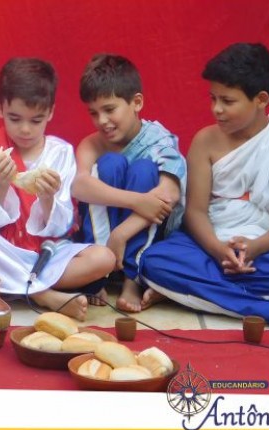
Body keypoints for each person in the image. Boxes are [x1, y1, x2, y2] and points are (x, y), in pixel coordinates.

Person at [139, 43, 269, 331]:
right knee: (155, 261)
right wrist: (217, 250)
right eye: (213, 98)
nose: (217, 109)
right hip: (213, 238)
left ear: (261, 99)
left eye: (228, 101)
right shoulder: (206, 141)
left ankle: (186, 294)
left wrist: (255, 248)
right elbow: (196, 212)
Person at [0, 58, 115, 321]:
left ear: (50, 113)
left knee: (104, 258)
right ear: (0, 109)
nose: (25, 129)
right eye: (15, 118)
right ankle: (41, 294)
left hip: (47, 254)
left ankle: (4, 285)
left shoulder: (61, 152)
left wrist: (47, 199)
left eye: (36, 120)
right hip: (1, 248)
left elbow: (61, 228)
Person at [71, 54, 186, 312]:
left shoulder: (159, 141)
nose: (102, 121)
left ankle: (132, 279)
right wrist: (137, 201)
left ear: (136, 102)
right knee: (110, 163)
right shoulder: (93, 144)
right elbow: (79, 186)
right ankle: (95, 274)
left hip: (144, 231)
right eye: (94, 113)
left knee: (145, 169)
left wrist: (120, 234)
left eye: (110, 109)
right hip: (102, 238)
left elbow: (168, 196)